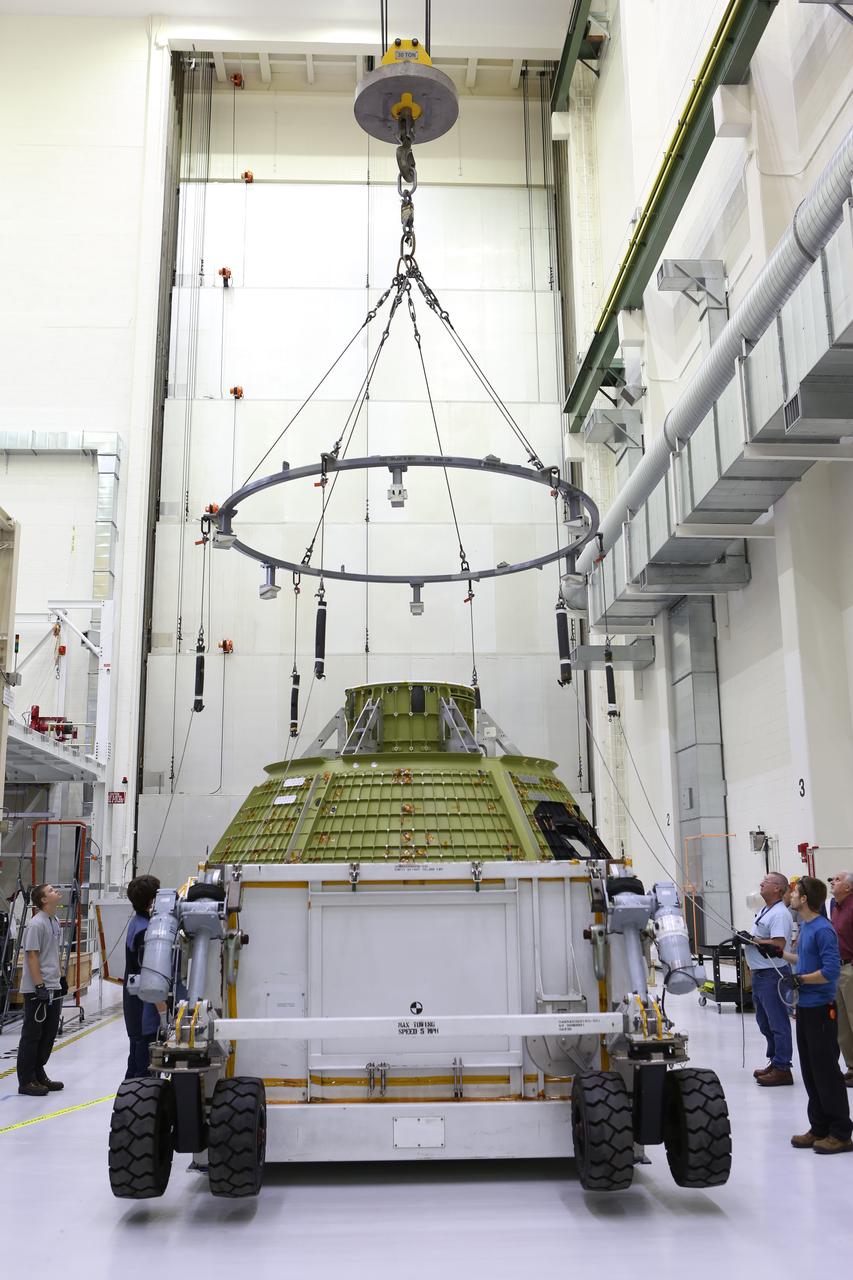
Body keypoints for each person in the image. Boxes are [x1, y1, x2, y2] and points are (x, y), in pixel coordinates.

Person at [784, 876, 852, 1154]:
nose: (792, 894)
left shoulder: (823, 930)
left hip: (822, 1010)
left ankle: (841, 1132)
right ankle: (819, 1127)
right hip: (806, 1008)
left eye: (795, 891)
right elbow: (805, 961)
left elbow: (831, 971)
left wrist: (802, 981)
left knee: (826, 1072)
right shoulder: (806, 927)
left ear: (805, 898)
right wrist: (779, 953)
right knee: (810, 1071)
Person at [741, 871, 794, 1086]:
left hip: (773, 975)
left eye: (767, 881)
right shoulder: (765, 910)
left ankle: (783, 1068)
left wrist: (754, 941)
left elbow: (778, 946)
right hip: (760, 975)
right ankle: (775, 1060)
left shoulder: (780, 914)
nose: (761, 883)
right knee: (764, 1022)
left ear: (777, 889)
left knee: (777, 1022)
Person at [16, 883, 65, 1097]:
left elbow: (54, 952)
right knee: (32, 1035)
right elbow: (32, 955)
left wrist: (61, 976)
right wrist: (39, 986)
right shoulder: (36, 924)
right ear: (44, 900)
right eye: (52, 890)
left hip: (53, 985)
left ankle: (39, 1073)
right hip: (38, 988)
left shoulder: (54, 921)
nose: (56, 891)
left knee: (48, 1034)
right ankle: (26, 1080)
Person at [123, 875, 165, 1079]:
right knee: (142, 1069)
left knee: (138, 1062)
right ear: (151, 901)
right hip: (143, 1009)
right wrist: (164, 1013)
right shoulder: (144, 932)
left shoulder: (140, 923)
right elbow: (149, 976)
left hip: (138, 1007)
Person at [829, 870, 853, 1086]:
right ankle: (852, 1068)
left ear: (848, 887)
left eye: (837, 880)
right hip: (837, 969)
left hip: (850, 969)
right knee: (842, 1025)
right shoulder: (833, 907)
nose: (832, 882)